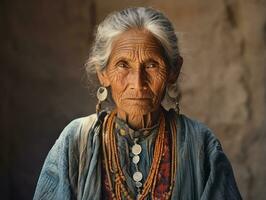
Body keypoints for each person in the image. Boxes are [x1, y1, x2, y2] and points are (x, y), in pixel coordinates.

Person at [33, 7, 242, 200]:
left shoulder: (200, 144)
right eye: (123, 65)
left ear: (173, 71)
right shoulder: (76, 141)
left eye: (151, 65)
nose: (138, 83)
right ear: (103, 73)